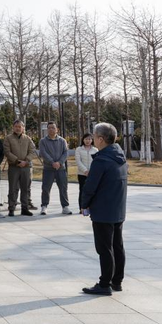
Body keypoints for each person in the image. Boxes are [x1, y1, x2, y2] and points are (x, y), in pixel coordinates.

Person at [80, 123, 128, 296]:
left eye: (94, 136)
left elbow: (90, 186)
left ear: (101, 139)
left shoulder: (101, 160)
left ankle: (104, 283)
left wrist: (84, 204)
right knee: (117, 246)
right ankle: (117, 281)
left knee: (104, 248)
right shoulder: (120, 156)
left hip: (103, 210)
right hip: (117, 209)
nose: (93, 139)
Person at [3, 120, 36, 217]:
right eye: (16, 126)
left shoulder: (28, 139)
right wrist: (17, 161)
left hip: (26, 167)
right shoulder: (8, 138)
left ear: (23, 128)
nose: (18, 128)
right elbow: (7, 151)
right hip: (14, 167)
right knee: (13, 188)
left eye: (20, 126)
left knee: (25, 188)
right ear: (13, 127)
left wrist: (26, 161)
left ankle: (25, 208)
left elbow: (32, 151)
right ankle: (11, 208)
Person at [39, 121, 72, 215]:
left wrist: (59, 162)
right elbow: (43, 153)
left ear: (57, 129)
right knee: (46, 188)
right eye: (49, 128)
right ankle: (44, 206)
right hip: (48, 168)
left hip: (61, 169)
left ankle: (65, 206)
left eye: (53, 128)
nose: (51, 129)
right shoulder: (43, 141)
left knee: (63, 188)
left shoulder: (62, 141)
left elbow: (66, 153)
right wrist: (52, 162)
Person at [75, 133, 98, 214]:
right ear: (83, 140)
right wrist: (85, 171)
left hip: (92, 174)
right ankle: (82, 208)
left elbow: (96, 162)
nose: (88, 141)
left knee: (92, 191)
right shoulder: (79, 149)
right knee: (82, 191)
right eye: (86, 139)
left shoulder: (95, 150)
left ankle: (91, 208)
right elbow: (78, 161)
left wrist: (91, 171)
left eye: (89, 139)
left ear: (92, 140)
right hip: (82, 174)